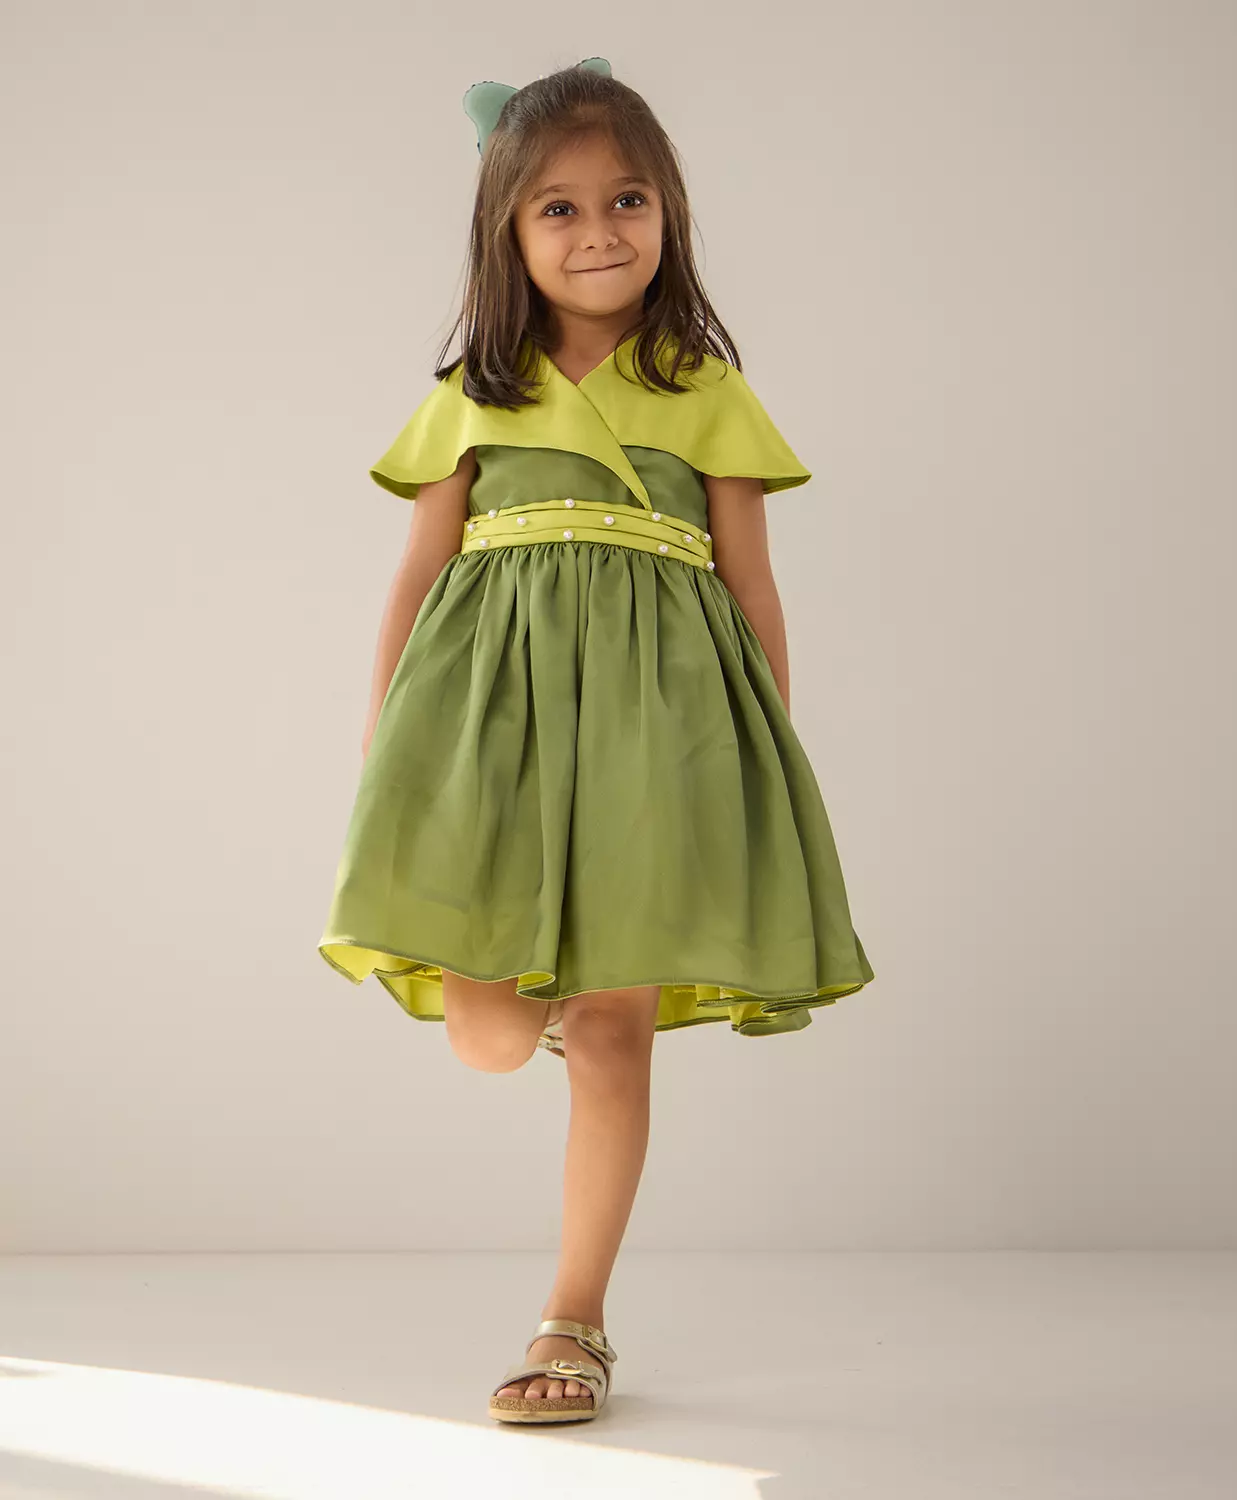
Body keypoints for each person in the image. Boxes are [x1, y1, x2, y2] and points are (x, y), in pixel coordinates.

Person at [317, 57, 875, 1426]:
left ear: (667, 210)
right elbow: (416, 576)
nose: (598, 231)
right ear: (505, 230)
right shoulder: (477, 391)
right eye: (557, 208)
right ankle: (557, 996)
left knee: (616, 1032)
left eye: (626, 199)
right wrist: (387, 746)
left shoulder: (703, 388)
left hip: (658, 734)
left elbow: (751, 586)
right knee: (489, 1035)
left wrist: (759, 764)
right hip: (492, 728)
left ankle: (574, 1319)